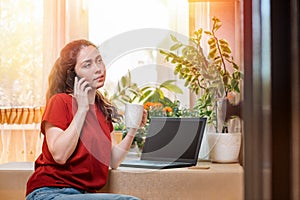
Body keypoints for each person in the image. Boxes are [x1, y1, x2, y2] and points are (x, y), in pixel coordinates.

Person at [26, 39, 147, 200]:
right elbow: (60, 155)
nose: (98, 69)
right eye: (87, 65)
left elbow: (113, 160)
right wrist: (82, 109)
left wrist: (133, 129)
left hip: (83, 195)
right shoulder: (60, 102)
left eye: (99, 61)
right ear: (73, 75)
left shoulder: (102, 111)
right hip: (50, 193)